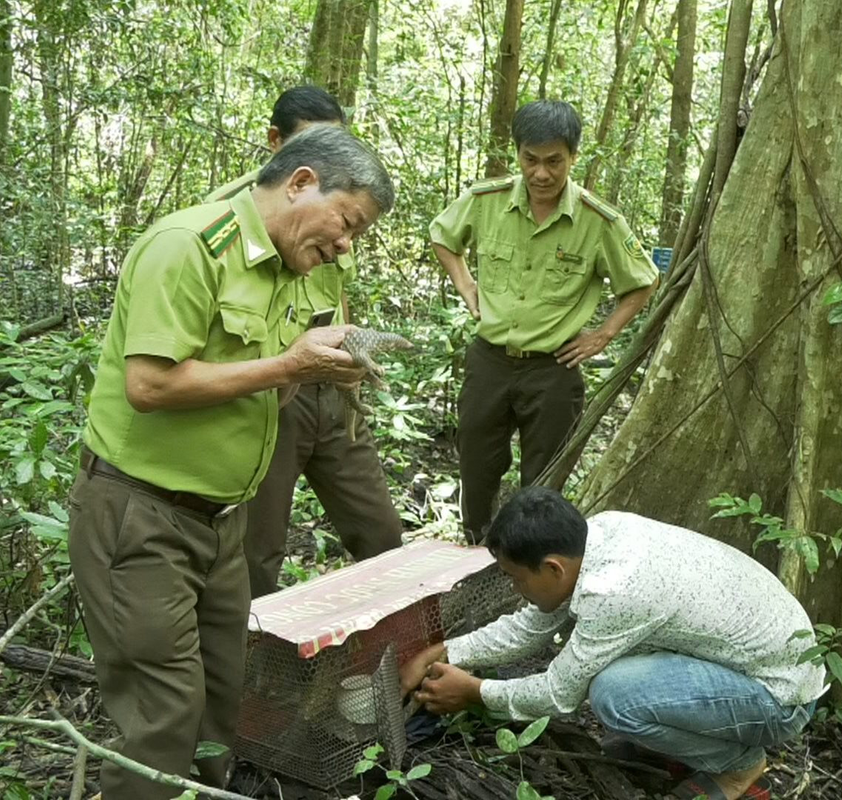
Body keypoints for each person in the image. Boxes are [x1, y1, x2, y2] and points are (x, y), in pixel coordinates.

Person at [68, 125, 395, 799]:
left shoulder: (300, 271)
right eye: (346, 223)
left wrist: (328, 369)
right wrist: (290, 362)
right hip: (141, 514)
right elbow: (150, 386)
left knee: (227, 694)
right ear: (302, 182)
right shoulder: (188, 247)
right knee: (164, 712)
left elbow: (266, 385)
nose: (345, 245)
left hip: (221, 522)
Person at [400, 487, 825, 800]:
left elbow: (558, 695)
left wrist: (474, 692)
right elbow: (534, 625)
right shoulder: (600, 533)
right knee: (618, 674)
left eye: (515, 577)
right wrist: (447, 651)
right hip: (758, 666)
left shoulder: (613, 591)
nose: (515, 588)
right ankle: (688, 741)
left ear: (552, 568)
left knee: (614, 697)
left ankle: (738, 766)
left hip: (781, 698)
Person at [429, 100, 659, 542]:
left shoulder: (598, 221)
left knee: (544, 482)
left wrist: (603, 334)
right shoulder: (486, 201)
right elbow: (443, 235)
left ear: (573, 157)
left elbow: (643, 281)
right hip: (489, 361)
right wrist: (466, 284)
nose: (541, 173)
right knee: (476, 466)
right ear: (517, 154)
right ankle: (478, 550)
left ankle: (530, 572)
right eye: (530, 160)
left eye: (554, 161)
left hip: (553, 369)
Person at [206, 85, 404, 597]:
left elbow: (334, 296)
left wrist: (352, 356)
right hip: (269, 396)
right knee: (256, 553)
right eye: (315, 147)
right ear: (279, 145)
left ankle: (398, 660)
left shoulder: (338, 212)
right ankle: (256, 670)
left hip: (330, 394)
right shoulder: (223, 220)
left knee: (382, 535)